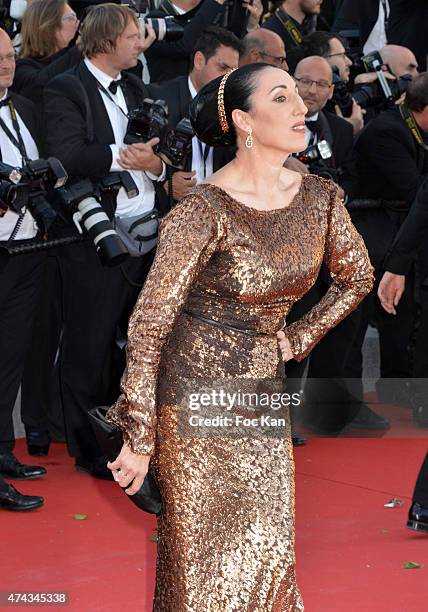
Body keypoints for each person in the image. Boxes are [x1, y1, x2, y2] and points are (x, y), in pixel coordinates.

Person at [105, 63, 373, 609]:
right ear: (244, 121)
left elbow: (357, 277)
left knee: (269, 549)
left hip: (260, 392)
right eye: (283, 97)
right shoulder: (201, 212)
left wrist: (298, 336)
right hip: (193, 396)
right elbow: (150, 323)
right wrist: (139, 432)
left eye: (300, 95)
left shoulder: (320, 198)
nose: (302, 106)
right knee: (203, 567)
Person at [43, 3, 165, 479]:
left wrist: (154, 165)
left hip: (147, 231)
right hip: (96, 236)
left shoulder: (138, 88)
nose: (141, 43)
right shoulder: (65, 87)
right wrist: (124, 156)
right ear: (108, 40)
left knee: (134, 345)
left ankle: (124, 436)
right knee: (88, 344)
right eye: (134, 36)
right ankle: (86, 447)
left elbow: (161, 154)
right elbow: (68, 155)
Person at [352, 72, 428, 408]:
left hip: (401, 226)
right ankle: (394, 389)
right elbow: (415, 191)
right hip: (373, 229)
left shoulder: (408, 128)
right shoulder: (387, 130)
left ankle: (403, 388)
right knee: (398, 308)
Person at [0, 28, 46, 507]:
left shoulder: (25, 107)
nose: (6, 65)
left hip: (29, 249)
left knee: (10, 360)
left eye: (10, 56)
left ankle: (2, 452)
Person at [147, 26, 241, 204]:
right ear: (199, 61)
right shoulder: (159, 97)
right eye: (222, 68)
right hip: (169, 212)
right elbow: (138, 155)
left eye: (233, 72)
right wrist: (164, 180)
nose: (227, 78)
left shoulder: (233, 108)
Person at [12, 0, 81, 107]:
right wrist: (80, 48)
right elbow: (40, 84)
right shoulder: (22, 68)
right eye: (71, 18)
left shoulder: (79, 58)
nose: (78, 23)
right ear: (49, 26)